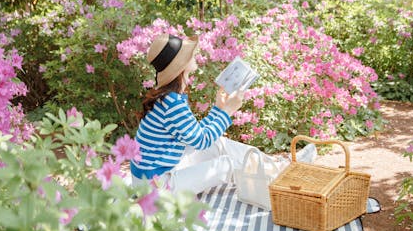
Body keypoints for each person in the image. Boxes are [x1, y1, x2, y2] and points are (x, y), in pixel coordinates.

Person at [130, 33, 315, 194]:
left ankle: (284, 167)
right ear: (182, 66)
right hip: (157, 188)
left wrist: (219, 109)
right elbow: (201, 141)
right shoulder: (171, 103)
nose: (193, 54)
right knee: (226, 165)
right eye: (188, 54)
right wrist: (227, 111)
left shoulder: (169, 98)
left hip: (157, 176)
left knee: (219, 144)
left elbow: (196, 134)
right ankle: (284, 175)